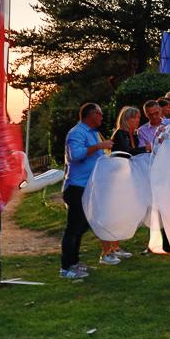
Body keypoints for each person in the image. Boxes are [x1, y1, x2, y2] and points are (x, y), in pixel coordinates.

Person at [59, 103, 114, 279]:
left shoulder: (92, 133)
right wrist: (99, 146)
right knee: (74, 228)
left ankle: (74, 263)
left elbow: (99, 159)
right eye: (100, 114)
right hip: (76, 187)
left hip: (89, 187)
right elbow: (75, 155)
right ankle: (66, 267)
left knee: (81, 227)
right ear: (92, 115)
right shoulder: (77, 133)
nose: (102, 117)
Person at [102, 106, 148, 264]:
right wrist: (145, 148)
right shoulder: (121, 133)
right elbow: (126, 153)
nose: (138, 120)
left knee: (121, 213)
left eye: (138, 117)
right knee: (113, 214)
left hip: (125, 177)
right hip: (116, 179)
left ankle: (116, 247)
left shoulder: (131, 134)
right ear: (126, 119)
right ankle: (107, 251)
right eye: (134, 118)